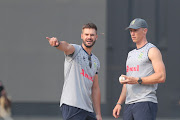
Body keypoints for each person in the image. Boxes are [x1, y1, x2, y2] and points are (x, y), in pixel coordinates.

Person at [113, 18, 166, 120]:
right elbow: (128, 81)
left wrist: (137, 80)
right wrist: (119, 103)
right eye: (131, 31)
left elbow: (161, 76)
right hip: (129, 104)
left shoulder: (152, 50)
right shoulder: (130, 54)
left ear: (144, 31)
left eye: (135, 30)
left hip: (145, 101)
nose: (132, 33)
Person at [46, 23, 102, 120]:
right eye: (86, 34)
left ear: (96, 37)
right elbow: (66, 46)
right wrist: (57, 43)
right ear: (82, 36)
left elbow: (95, 88)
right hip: (72, 105)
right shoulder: (76, 50)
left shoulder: (96, 61)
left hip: (88, 109)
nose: (89, 37)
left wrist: (98, 114)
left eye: (92, 35)